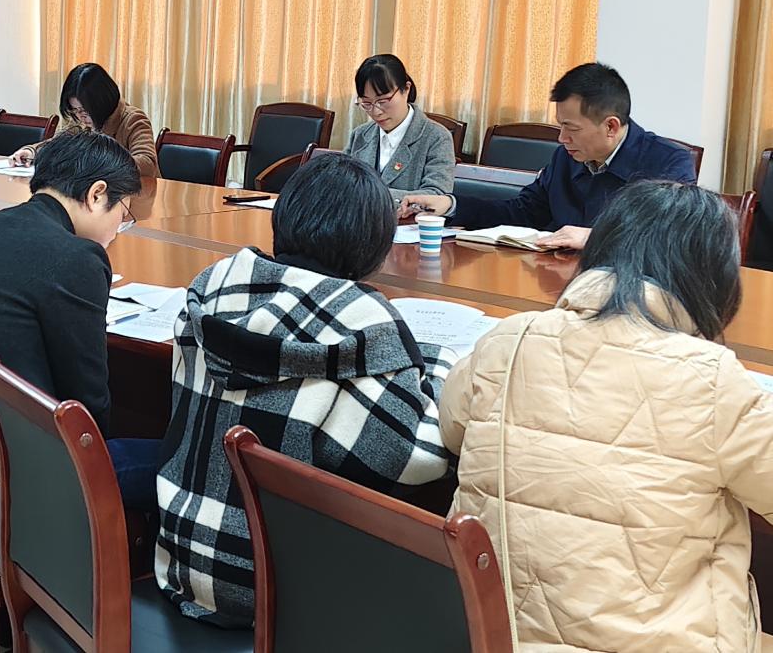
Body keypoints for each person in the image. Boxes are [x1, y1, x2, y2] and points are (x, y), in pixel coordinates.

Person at [440, 181, 773, 652]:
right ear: (714, 277)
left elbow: (453, 429)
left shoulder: (508, 339)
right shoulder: (716, 378)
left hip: (491, 634)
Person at [155, 153, 454, 628]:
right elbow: (411, 462)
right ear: (375, 247)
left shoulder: (212, 287)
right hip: (282, 598)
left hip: (182, 560)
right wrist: (437, 372)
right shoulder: (363, 323)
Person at [0, 131, 156, 506]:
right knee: (189, 464)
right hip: (14, 477)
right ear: (97, 194)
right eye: (123, 213)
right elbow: (87, 404)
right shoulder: (77, 258)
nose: (118, 230)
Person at [399, 62, 697, 250]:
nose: (561, 138)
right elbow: (521, 213)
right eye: (560, 126)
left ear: (611, 126)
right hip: (554, 284)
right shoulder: (566, 157)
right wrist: (452, 205)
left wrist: (592, 237)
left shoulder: (668, 163)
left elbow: (668, 238)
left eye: (571, 128)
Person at [8, 62, 159, 177]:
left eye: (84, 110)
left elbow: (147, 164)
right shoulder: (80, 121)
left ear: (102, 102)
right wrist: (32, 152)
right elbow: (56, 145)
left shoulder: (133, 120)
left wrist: (99, 161)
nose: (80, 116)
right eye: (74, 110)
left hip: (136, 196)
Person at [345, 53, 455, 201]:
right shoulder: (360, 134)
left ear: (406, 89)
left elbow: (436, 195)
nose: (376, 112)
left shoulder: (436, 137)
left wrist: (368, 195)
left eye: (383, 101)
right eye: (366, 103)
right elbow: (341, 183)